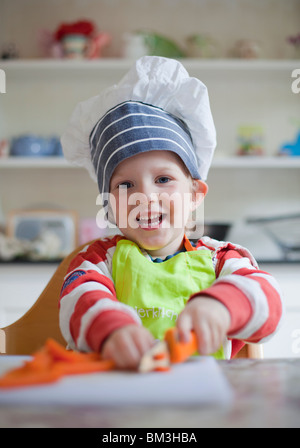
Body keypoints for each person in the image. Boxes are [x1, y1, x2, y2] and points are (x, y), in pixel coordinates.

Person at [60, 56, 283, 369]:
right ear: (108, 205)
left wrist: (221, 307)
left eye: (163, 179)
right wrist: (110, 329)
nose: (145, 196)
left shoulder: (222, 259)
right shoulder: (97, 261)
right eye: (125, 185)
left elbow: (269, 300)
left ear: (194, 195)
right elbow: (78, 301)